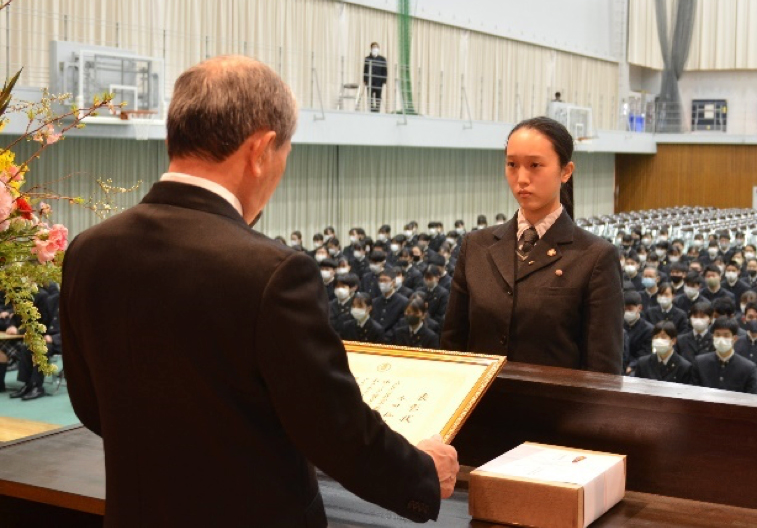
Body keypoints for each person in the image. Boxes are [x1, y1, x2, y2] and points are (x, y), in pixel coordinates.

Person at [60, 56, 456, 526]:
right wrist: (422, 471)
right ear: (261, 149)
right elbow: (336, 432)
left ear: (173, 137)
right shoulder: (272, 271)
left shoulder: (90, 250)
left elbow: (90, 405)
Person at [441, 116, 624, 374]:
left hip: (554, 410)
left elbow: (603, 368)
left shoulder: (594, 256)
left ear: (565, 171)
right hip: (481, 408)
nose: (522, 178)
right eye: (512, 165)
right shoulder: (476, 246)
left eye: (535, 165)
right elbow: (453, 344)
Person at [694, 317, 757, 395]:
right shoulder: (700, 363)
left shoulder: (748, 368)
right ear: (713, 337)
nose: (721, 339)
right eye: (717, 335)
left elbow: (751, 399)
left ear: (734, 339)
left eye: (726, 335)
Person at [364, 42, 387, 113]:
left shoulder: (382, 59)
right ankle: (371, 110)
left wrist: (384, 80)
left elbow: (384, 70)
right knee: (370, 96)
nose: (375, 48)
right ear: (371, 49)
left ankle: (377, 110)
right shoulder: (367, 58)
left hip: (379, 81)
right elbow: (365, 69)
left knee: (378, 97)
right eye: (373, 47)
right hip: (370, 81)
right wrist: (365, 79)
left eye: (376, 47)